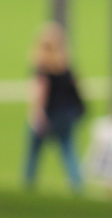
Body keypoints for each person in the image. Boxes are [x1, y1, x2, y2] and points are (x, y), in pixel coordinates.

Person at [24, 22, 84, 192]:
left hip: (48, 114)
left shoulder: (42, 67)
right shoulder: (65, 66)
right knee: (68, 151)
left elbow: (40, 93)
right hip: (66, 115)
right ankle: (77, 185)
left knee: (34, 152)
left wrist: (37, 114)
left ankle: (28, 184)